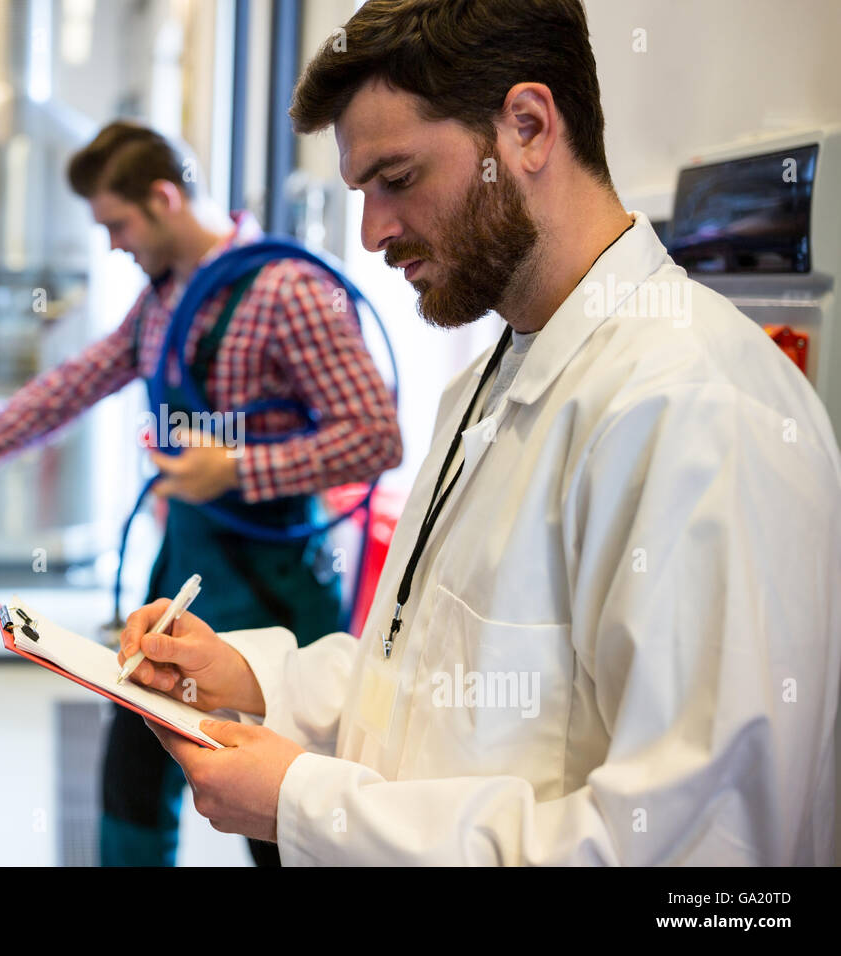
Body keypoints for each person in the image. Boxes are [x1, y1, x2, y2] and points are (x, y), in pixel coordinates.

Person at [119, 0, 841, 865]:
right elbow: (430, 684)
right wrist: (252, 677)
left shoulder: (696, 410)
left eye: (397, 178)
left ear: (528, 129)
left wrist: (307, 802)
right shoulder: (490, 380)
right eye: (362, 192)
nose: (373, 233)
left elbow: (706, 871)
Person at [0, 121, 402, 866]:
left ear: (163, 198)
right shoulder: (164, 297)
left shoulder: (291, 289)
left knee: (279, 809)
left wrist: (239, 469)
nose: (114, 245)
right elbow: (69, 387)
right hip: (185, 574)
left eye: (117, 224)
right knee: (132, 776)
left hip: (276, 586)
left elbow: (378, 435)